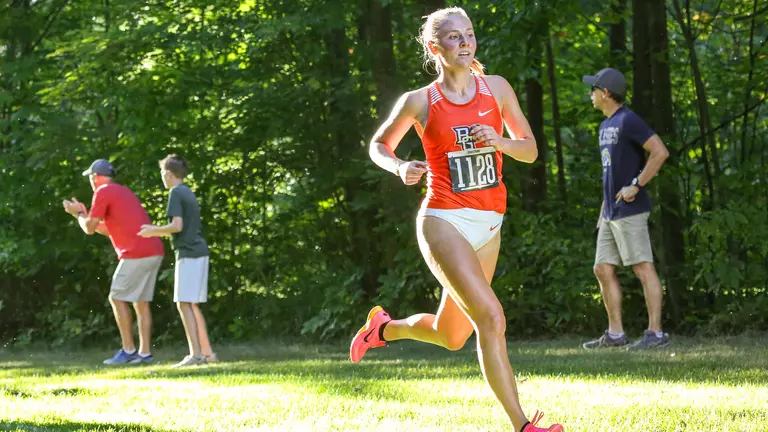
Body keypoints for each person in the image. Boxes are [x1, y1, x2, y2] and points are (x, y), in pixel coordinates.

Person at [348, 7, 563, 432]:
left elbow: (531, 150)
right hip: (443, 219)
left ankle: (384, 329)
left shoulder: (496, 89)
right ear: (434, 47)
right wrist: (398, 167)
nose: (465, 43)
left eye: (469, 35)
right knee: (492, 318)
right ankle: (524, 425)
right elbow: (379, 144)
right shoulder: (419, 101)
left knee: (451, 336)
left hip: (490, 223)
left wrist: (500, 141)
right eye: (453, 37)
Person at [581, 68, 671, 351]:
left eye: (594, 89)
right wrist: (604, 207)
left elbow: (660, 151)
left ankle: (655, 334)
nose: (590, 94)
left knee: (643, 268)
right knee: (602, 268)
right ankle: (616, 334)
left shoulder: (628, 120)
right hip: (611, 212)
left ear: (606, 93)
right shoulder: (604, 125)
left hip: (631, 209)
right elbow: (611, 172)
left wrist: (637, 185)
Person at [62, 159, 164, 365]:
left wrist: (80, 213)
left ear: (94, 177)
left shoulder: (102, 192)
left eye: (90, 177)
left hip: (136, 253)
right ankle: (144, 354)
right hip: (153, 250)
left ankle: (128, 350)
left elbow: (89, 228)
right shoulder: (122, 191)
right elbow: (107, 229)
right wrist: (84, 215)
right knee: (140, 302)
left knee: (117, 298)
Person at [138, 154, 217, 367]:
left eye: (163, 173)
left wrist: (153, 231)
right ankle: (201, 354)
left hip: (189, 253)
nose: (162, 177)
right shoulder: (187, 192)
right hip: (198, 252)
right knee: (188, 303)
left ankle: (196, 355)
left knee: (183, 303)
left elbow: (177, 226)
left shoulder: (175, 193)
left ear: (169, 174)